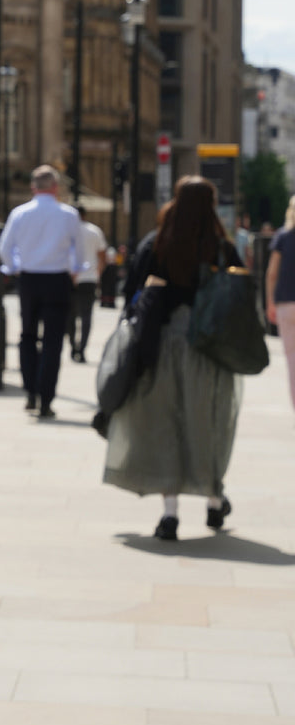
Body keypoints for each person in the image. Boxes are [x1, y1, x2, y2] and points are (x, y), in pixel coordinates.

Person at [103, 176, 243, 540]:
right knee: (207, 423)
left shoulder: (157, 244)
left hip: (161, 348)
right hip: (209, 353)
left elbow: (132, 294)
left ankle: (170, 515)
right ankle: (213, 502)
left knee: (166, 424)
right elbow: (241, 298)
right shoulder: (221, 248)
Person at [0, 164, 84, 418]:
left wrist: (14, 267)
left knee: (27, 335)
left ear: (33, 187)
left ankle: (31, 392)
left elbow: (4, 247)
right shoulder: (68, 215)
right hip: (57, 279)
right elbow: (78, 250)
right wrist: (76, 270)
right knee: (53, 341)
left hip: (29, 278)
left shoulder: (20, 213)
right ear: (56, 187)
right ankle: (46, 397)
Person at [266, 194, 295, 413]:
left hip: (286, 303)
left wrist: (269, 301)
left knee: (292, 358)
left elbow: (272, 273)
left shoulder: (283, 237)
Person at [68, 205, 107, 362]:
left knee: (69, 315)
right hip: (89, 279)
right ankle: (82, 348)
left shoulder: (67, 232)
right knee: (86, 316)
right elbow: (103, 257)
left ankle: (73, 345)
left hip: (70, 279)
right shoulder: (94, 231)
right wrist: (97, 274)